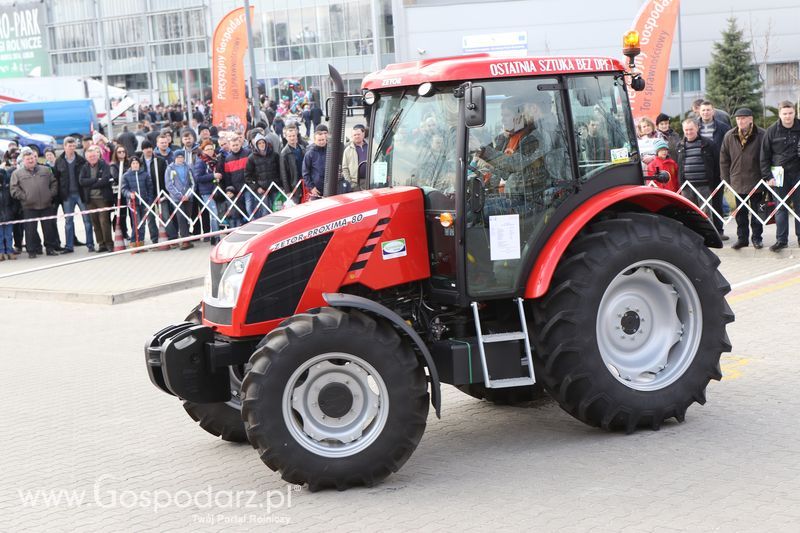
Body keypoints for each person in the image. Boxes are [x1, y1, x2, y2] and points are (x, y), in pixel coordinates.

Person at [720, 108, 766, 250]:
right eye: (738, 119)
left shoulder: (762, 134)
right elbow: (724, 159)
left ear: (751, 119)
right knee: (740, 214)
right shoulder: (729, 135)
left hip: (757, 180)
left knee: (758, 213)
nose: (740, 121)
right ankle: (742, 239)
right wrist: (726, 179)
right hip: (737, 181)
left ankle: (757, 239)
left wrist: (766, 178)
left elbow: (767, 157)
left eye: (744, 118)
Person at [760, 100, 800, 252]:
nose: (788, 116)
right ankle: (781, 240)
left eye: (790, 113)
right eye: (785, 114)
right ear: (779, 114)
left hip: (798, 173)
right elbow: (764, 156)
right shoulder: (771, 131)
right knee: (780, 207)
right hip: (778, 173)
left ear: (794, 112)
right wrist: (767, 176)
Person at [10, 148, 59, 258]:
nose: (31, 161)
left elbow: (54, 183)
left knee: (48, 228)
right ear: (23, 161)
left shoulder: (46, 170)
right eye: (28, 159)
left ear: (35, 158)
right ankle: (32, 250)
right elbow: (14, 189)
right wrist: (24, 197)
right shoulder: (17, 173)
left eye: (32, 158)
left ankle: (50, 248)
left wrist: (50, 194)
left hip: (46, 205)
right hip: (29, 206)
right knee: (30, 230)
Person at [696, 100, 732, 238]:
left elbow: (729, 146)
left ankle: (719, 230)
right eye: (703, 110)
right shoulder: (694, 126)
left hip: (718, 167)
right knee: (702, 202)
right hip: (701, 168)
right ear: (699, 111)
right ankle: (702, 232)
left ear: (713, 111)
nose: (706, 112)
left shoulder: (723, 127)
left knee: (717, 201)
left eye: (708, 110)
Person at [53, 137, 92, 253]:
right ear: (64, 147)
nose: (72, 148)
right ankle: (69, 246)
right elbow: (56, 178)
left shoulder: (81, 160)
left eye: (74, 146)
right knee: (68, 222)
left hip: (81, 194)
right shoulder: (59, 161)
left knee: (87, 220)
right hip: (67, 196)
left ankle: (90, 244)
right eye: (69, 146)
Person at [677, 119, 718, 222]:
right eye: (686, 130)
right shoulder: (680, 146)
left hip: (704, 185)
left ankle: (709, 237)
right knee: (689, 213)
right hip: (687, 186)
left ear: (697, 128)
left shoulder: (708, 144)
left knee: (706, 213)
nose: (689, 132)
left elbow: (716, 163)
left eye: (691, 129)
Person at [79, 146, 115, 253]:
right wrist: (95, 180)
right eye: (90, 157)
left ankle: (109, 244)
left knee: (104, 221)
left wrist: (90, 185)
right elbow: (81, 181)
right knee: (95, 223)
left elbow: (105, 180)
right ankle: (101, 244)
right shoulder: (84, 167)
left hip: (102, 198)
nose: (92, 158)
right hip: (90, 199)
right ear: (87, 158)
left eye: (94, 156)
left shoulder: (104, 165)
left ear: (98, 155)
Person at [121, 157, 155, 249]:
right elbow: (124, 189)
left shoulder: (144, 175)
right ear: (130, 165)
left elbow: (150, 188)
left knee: (143, 224)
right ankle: (133, 241)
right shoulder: (126, 176)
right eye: (133, 163)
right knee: (137, 223)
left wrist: (149, 200)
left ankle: (141, 243)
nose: (135, 165)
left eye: (136, 163)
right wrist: (129, 194)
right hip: (133, 204)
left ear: (139, 164)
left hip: (144, 202)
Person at [193, 140, 222, 244]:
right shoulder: (201, 161)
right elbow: (197, 178)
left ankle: (216, 236)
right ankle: (215, 237)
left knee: (217, 214)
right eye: (207, 149)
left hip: (217, 190)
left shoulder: (215, 160)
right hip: (206, 192)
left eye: (211, 148)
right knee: (214, 214)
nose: (210, 151)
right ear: (203, 150)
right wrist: (213, 176)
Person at [165, 149, 195, 249]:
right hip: (177, 199)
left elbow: (192, 183)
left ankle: (188, 238)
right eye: (178, 157)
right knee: (181, 218)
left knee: (188, 217)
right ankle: (185, 240)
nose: (180, 159)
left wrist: (188, 195)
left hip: (188, 197)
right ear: (175, 158)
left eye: (182, 157)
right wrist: (179, 196)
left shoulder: (188, 167)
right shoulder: (170, 168)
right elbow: (169, 184)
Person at [245, 134, 281, 218]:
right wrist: (256, 187)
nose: (262, 145)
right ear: (256, 145)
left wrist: (280, 184)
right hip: (262, 189)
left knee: (278, 209)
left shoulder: (274, 155)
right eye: (259, 143)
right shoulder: (251, 158)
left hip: (275, 187)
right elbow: (247, 176)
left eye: (263, 142)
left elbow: (280, 170)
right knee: (265, 211)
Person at [221, 134, 250, 226]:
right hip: (235, 189)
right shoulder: (228, 159)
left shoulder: (248, 153)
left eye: (237, 145)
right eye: (233, 145)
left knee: (249, 208)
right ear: (230, 146)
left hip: (248, 187)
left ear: (240, 144)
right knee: (239, 211)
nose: (235, 147)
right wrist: (230, 189)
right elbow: (227, 176)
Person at [110, 145, 131, 240]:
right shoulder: (113, 165)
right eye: (119, 152)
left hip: (131, 191)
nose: (122, 153)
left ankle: (135, 232)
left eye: (123, 151)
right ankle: (124, 232)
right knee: (122, 214)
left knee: (132, 214)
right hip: (120, 192)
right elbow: (116, 177)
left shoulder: (129, 162)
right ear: (116, 153)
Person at [279, 124, 305, 203]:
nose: (292, 138)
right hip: (293, 186)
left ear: (296, 135)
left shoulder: (302, 148)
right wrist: (287, 191)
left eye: (293, 135)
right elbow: (283, 174)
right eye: (289, 136)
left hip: (304, 183)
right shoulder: (284, 153)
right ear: (286, 137)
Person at [302, 124, 328, 200]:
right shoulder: (310, 154)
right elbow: (305, 172)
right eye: (319, 140)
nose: (321, 142)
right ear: (315, 141)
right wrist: (311, 187)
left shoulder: (330, 151)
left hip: (329, 187)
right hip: (316, 190)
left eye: (323, 140)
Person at [342, 124, 368, 190]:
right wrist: (350, 183)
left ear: (363, 134)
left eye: (358, 134)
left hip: (369, 180)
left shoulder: (370, 146)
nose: (357, 136)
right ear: (352, 136)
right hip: (355, 183)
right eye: (354, 135)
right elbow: (345, 168)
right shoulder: (347, 150)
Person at [0, 164, 15, 260]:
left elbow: (13, 202)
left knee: (9, 235)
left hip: (8, 215)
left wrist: (12, 211)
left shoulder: (7, 189)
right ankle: (1, 252)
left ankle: (9, 251)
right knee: (0, 236)